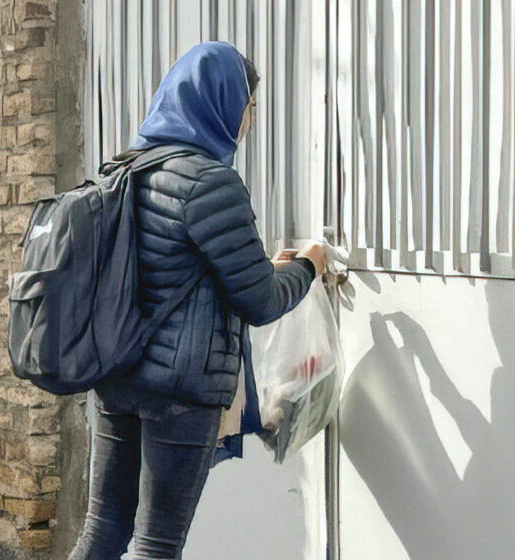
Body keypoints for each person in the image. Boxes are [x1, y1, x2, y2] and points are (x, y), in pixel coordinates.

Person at [68, 41, 326, 560]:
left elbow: (172, 266)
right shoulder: (212, 183)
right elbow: (260, 303)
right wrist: (308, 266)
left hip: (117, 374)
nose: (249, 121)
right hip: (180, 392)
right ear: (221, 104)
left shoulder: (126, 169)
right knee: (157, 545)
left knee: (103, 529)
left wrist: (261, 268)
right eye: (249, 106)